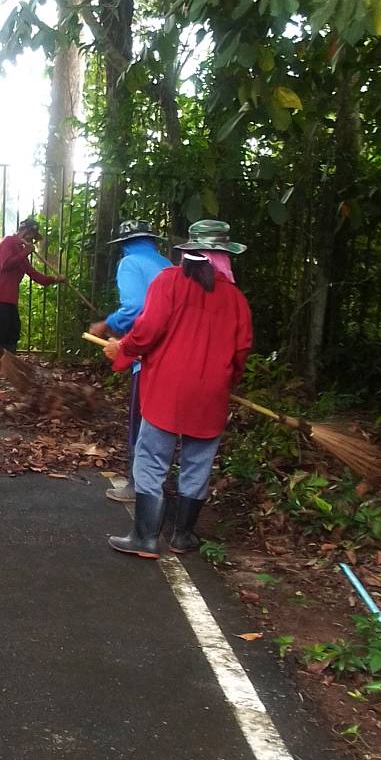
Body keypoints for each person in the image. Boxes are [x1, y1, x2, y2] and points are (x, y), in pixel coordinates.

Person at [103, 220, 252, 558]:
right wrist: (228, 379)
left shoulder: (168, 282)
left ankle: (145, 538)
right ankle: (183, 536)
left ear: (187, 253)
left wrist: (122, 350)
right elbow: (241, 350)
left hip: (167, 389)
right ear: (224, 257)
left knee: (152, 457)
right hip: (211, 394)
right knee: (198, 463)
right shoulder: (236, 299)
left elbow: (147, 330)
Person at [89, 219, 172, 503]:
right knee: (166, 424)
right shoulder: (168, 265)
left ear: (124, 244)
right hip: (176, 355)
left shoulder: (130, 263)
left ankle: (138, 487)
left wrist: (107, 323)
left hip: (147, 356)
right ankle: (160, 484)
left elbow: (137, 308)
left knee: (141, 424)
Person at [0, 217, 65, 370]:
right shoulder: (8, 242)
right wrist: (25, 252)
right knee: (1, 334)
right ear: (24, 231)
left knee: (13, 331)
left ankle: (9, 367)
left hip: (10, 300)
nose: (32, 241)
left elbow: (34, 275)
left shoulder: (21, 253)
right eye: (31, 236)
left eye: (34, 239)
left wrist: (56, 279)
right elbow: (5, 264)